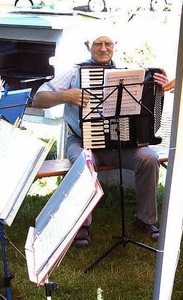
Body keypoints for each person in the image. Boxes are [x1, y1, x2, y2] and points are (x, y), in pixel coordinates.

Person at [32, 33, 170, 246]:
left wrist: (158, 89)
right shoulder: (73, 72)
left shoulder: (127, 73)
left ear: (115, 46)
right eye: (98, 44)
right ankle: (83, 225)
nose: (104, 48)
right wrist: (66, 96)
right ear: (88, 45)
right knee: (82, 162)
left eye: (108, 43)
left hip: (120, 143)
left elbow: (149, 109)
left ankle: (146, 219)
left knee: (149, 158)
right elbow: (38, 99)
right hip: (81, 141)